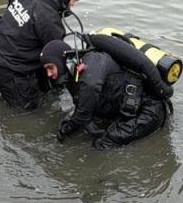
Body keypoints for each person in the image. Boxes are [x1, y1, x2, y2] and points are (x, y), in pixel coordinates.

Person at [40, 40, 170, 150]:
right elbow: (82, 107)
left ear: (62, 60)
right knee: (88, 130)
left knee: (104, 142)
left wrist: (66, 130)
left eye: (50, 67)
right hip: (126, 108)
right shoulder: (71, 74)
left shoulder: (93, 63)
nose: (48, 74)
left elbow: (83, 111)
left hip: (150, 111)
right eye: (46, 69)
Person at [0, 0, 83, 110]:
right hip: (14, 76)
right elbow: (58, 61)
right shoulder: (51, 22)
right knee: (29, 114)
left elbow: (10, 7)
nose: (74, 4)